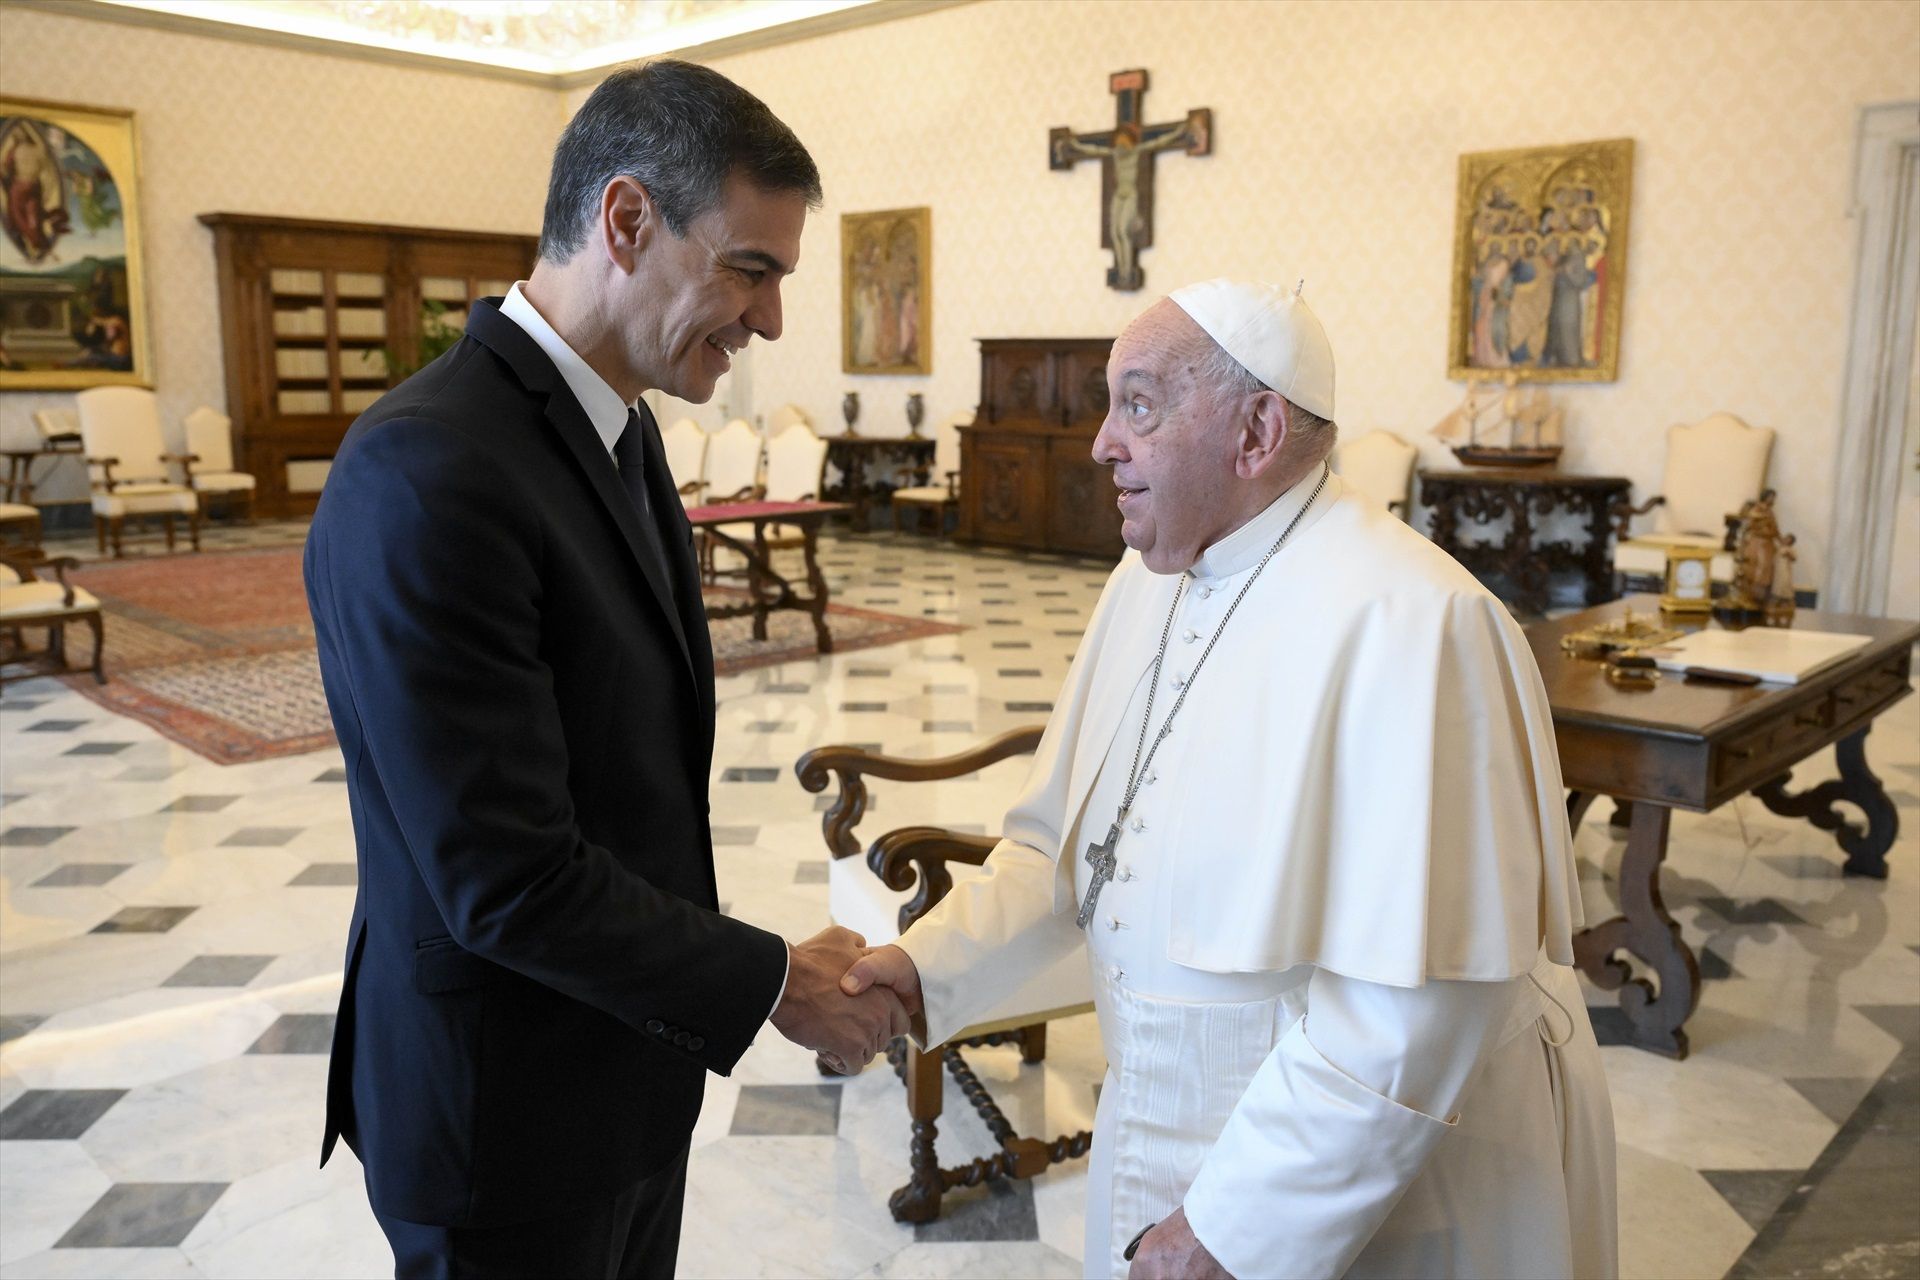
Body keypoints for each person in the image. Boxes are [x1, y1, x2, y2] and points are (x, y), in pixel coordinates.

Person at [845, 278, 1617, 1280]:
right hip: (1158, 1135)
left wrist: (1236, 1224)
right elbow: (1066, 849)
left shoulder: (1418, 624)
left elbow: (1413, 1005)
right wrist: (923, 966)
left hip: (1351, 1190)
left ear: (1256, 430)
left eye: (1139, 404)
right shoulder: (1143, 582)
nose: (1100, 443)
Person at [304, 60, 905, 1279]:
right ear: (625, 221)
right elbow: (506, 875)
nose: (773, 320)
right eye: (753, 268)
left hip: (622, 1074)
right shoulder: (431, 467)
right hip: (500, 1115)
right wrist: (772, 979)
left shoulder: (617, 429)